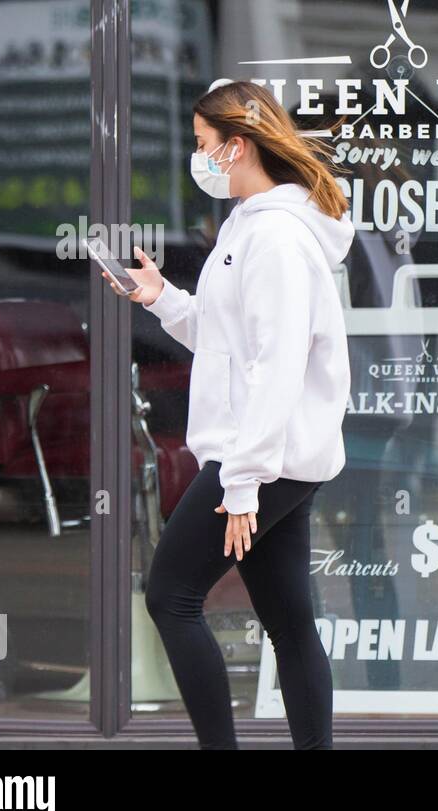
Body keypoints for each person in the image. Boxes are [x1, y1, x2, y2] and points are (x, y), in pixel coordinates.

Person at [101, 80, 355, 749]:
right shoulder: (250, 223)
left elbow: (277, 368)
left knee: (170, 595)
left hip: (261, 459)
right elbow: (230, 342)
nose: (199, 156)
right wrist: (161, 297)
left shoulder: (276, 237)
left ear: (236, 146)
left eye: (203, 144)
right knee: (290, 622)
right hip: (272, 457)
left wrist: (241, 483)